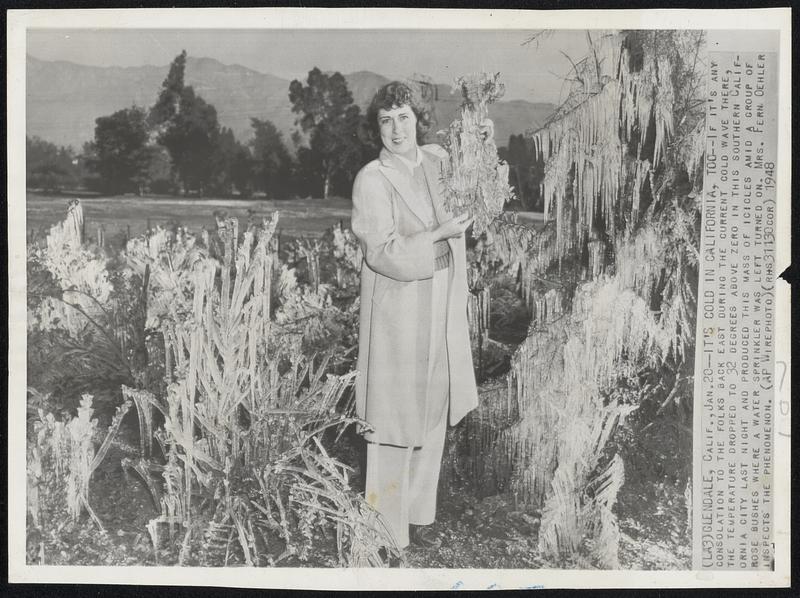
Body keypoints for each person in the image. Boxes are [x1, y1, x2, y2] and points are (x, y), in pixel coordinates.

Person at [351, 81, 491, 550]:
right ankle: (384, 529)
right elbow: (381, 252)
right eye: (385, 120)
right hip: (400, 306)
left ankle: (414, 517)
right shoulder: (372, 178)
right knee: (393, 417)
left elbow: (476, 172)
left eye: (404, 117)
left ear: (418, 120)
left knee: (432, 405)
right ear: (377, 127)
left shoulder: (437, 162)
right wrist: (437, 233)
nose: (395, 129)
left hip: (442, 298)